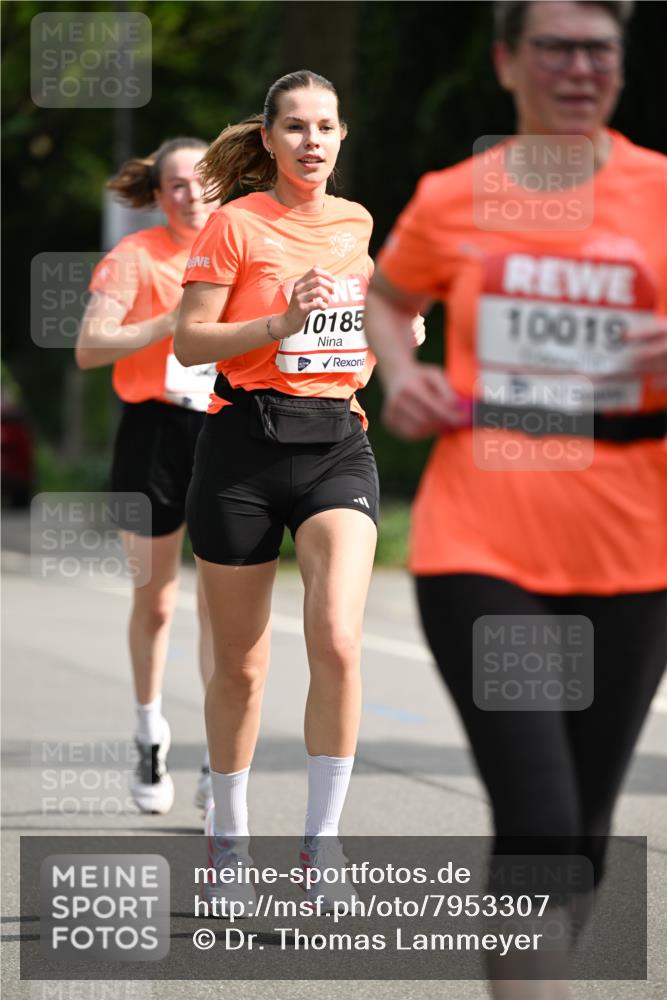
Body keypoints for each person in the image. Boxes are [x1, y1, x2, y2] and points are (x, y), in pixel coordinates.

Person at [365, 1, 666, 995]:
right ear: (505, 62)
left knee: (578, 837)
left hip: (636, 544)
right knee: (537, 818)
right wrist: (395, 372)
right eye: (555, 47)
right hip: (481, 537)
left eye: (599, 49)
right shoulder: (456, 196)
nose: (579, 68)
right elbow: (386, 294)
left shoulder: (659, 191)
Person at [176, 69, 422, 909]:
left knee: (338, 639)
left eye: (325, 127)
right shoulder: (235, 225)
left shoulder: (355, 221)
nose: (311, 141)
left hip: (335, 445)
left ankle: (322, 850)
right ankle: (228, 844)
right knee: (241, 666)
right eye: (295, 128)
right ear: (270, 140)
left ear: (341, 136)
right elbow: (188, 342)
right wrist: (278, 322)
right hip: (242, 447)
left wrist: (396, 326)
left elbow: (368, 311)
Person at [76, 138, 219, 815]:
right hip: (153, 433)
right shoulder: (134, 258)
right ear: (159, 196)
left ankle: (223, 756)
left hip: (226, 427)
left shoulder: (245, 243)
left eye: (201, 181)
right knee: (157, 601)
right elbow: (88, 346)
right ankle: (150, 730)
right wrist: (170, 322)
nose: (191, 194)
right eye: (177, 186)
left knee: (223, 605)